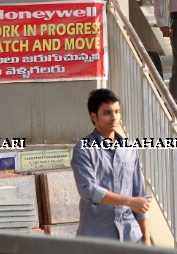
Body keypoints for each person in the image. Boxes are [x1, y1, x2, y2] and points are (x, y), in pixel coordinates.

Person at [71, 89, 151, 244]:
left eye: (117, 111)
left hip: (130, 236)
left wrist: (146, 237)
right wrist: (128, 201)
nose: (114, 118)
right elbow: (88, 190)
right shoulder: (83, 149)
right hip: (96, 238)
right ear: (94, 116)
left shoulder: (129, 149)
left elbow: (138, 193)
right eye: (107, 113)